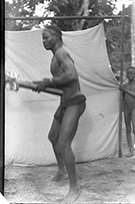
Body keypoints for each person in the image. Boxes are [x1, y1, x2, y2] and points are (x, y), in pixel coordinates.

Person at [34, 25, 85, 203]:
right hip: (64, 102)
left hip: (75, 102)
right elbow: (61, 83)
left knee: (64, 144)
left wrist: (49, 81)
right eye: (42, 38)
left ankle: (74, 188)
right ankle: (61, 170)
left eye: (46, 37)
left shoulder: (61, 53)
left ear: (56, 36)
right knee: (53, 136)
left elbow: (71, 76)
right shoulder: (55, 57)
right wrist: (44, 84)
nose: (44, 41)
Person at [120, 66, 135, 161]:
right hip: (126, 108)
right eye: (128, 73)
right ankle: (130, 150)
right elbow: (122, 98)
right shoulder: (124, 85)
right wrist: (121, 108)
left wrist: (125, 91)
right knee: (128, 129)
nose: (130, 75)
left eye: (132, 73)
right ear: (126, 74)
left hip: (134, 109)